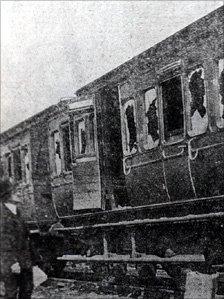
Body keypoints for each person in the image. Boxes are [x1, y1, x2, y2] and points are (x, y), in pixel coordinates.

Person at [0, 176, 33, 299]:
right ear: (6, 195)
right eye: (15, 191)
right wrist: (13, 262)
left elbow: (26, 239)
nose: (20, 193)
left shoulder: (17, 212)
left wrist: (35, 262)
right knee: (11, 294)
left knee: (27, 291)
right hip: (10, 264)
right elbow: (3, 241)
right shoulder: (2, 214)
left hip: (24, 263)